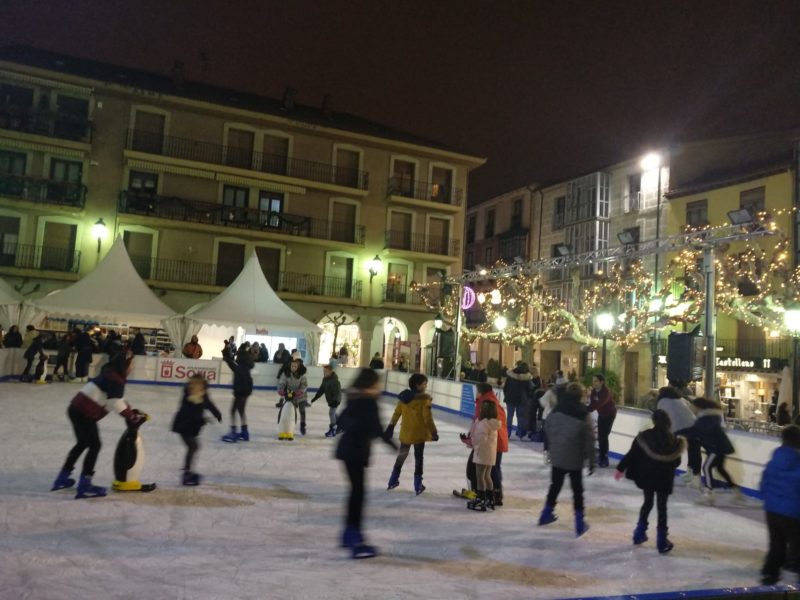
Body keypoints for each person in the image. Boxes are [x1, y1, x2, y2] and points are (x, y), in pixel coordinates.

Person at [51, 348, 146, 498]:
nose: (132, 367)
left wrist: (129, 410)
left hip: (76, 408)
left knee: (82, 443)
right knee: (95, 445)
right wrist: (132, 416)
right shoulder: (116, 379)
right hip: (84, 413)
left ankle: (62, 478)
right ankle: (85, 485)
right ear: (125, 364)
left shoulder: (110, 374)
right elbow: (114, 402)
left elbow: (115, 399)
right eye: (131, 363)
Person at [335, 368, 397, 559]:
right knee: (358, 495)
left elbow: (341, 420)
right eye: (377, 383)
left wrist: (355, 426)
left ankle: (349, 534)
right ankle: (355, 540)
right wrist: (393, 445)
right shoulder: (368, 401)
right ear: (371, 384)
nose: (379, 387)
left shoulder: (354, 397)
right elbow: (376, 428)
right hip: (356, 452)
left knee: (355, 492)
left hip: (347, 451)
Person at [614, 410, 685, 553]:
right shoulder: (674, 440)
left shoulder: (645, 437)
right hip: (664, 478)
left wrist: (620, 468)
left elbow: (632, 454)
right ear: (668, 422)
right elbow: (677, 462)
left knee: (647, 503)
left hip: (648, 476)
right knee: (662, 507)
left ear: (654, 421)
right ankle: (661, 541)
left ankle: (639, 533)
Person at [538, 382, 595, 537]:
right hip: (574, 457)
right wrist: (591, 460)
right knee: (577, 490)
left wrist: (555, 444)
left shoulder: (557, 409)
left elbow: (548, 427)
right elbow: (589, 439)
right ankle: (579, 522)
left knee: (555, 485)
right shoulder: (583, 414)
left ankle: (545, 514)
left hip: (557, 455)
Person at [759, 424, 800, 585]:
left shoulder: (774, 460)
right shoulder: (797, 462)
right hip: (793, 511)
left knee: (776, 544)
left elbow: (764, 483)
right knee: (797, 544)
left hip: (772, 510)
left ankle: (769, 574)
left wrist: (769, 500)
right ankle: (794, 568)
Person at [683, 397, 743, 505]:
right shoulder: (709, 416)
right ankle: (736, 491)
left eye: (693, 407)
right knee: (720, 469)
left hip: (716, 448)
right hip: (718, 447)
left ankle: (709, 494)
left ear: (699, 407)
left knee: (706, 467)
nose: (691, 409)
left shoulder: (707, 418)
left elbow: (696, 430)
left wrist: (677, 432)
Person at [385, 373, 439, 495]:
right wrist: (434, 432)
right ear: (417, 385)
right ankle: (418, 485)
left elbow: (396, 413)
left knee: (402, 456)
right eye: (424, 384)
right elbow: (428, 418)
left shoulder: (404, 397)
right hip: (419, 435)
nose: (426, 386)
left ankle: (393, 480)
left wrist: (391, 427)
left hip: (406, 433)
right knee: (418, 458)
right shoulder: (424, 399)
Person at [171, 374, 222, 486]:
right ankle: (187, 473)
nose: (198, 387)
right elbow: (190, 415)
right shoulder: (188, 398)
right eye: (193, 385)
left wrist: (217, 413)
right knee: (193, 446)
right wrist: (203, 420)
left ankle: (187, 471)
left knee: (193, 447)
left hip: (192, 426)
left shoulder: (203, 394)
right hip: (184, 426)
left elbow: (209, 404)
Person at [656, 386, 701, 487]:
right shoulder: (681, 399)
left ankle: (666, 474)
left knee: (671, 452)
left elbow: (661, 417)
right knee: (694, 451)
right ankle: (694, 476)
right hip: (694, 426)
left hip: (677, 428)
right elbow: (693, 410)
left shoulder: (662, 402)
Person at [468, 400, 501, 512]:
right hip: (490, 454)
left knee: (480, 477)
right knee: (487, 476)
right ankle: (490, 499)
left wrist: (471, 442)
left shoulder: (483, 424)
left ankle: (481, 499)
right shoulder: (493, 424)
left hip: (482, 453)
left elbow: (480, 439)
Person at [221, 344, 254, 443]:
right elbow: (235, 367)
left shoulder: (242, 364)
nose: (236, 357)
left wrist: (227, 358)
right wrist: (228, 359)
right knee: (241, 410)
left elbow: (235, 368)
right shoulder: (245, 364)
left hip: (241, 391)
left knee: (233, 410)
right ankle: (244, 432)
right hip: (245, 391)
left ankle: (233, 432)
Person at [588, 374, 617, 467]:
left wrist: (586, 408)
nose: (594, 383)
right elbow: (592, 404)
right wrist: (584, 408)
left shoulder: (606, 392)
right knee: (601, 436)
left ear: (602, 382)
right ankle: (601, 456)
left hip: (609, 415)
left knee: (603, 436)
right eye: (593, 381)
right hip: (601, 414)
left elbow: (599, 404)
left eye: (596, 381)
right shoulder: (594, 391)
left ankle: (604, 458)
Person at [503, 361, 534, 439]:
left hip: (510, 398)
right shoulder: (527, 378)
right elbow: (530, 389)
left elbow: (505, 387)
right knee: (520, 416)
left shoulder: (511, 375)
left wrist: (507, 395)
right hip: (521, 399)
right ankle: (520, 434)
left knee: (509, 416)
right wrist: (526, 397)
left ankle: (508, 433)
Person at [279, 358, 309, 435]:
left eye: (295, 366)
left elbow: (304, 385)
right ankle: (288, 426)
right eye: (292, 366)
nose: (293, 368)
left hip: (301, 396)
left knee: (302, 411)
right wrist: (281, 390)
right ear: (290, 366)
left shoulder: (302, 375)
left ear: (298, 367)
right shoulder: (286, 374)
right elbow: (282, 383)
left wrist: (300, 392)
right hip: (291, 395)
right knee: (290, 412)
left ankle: (302, 425)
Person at [311, 364, 342, 437]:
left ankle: (333, 430)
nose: (324, 373)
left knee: (331, 413)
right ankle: (341, 424)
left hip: (335, 400)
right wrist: (316, 397)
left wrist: (335, 401)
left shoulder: (335, 381)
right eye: (324, 371)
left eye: (326, 371)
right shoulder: (325, 379)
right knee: (334, 413)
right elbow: (321, 389)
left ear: (331, 372)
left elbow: (337, 392)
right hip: (331, 400)